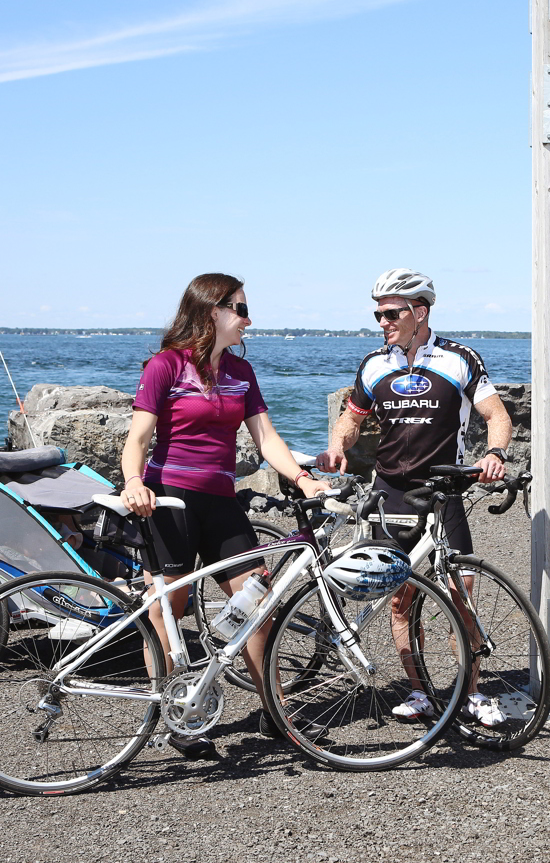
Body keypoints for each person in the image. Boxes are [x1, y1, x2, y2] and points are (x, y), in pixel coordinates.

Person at [121, 272, 330, 758]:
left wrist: (303, 478)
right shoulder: (164, 367)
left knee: (257, 601)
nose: (247, 319)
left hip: (220, 499)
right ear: (210, 311)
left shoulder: (241, 372)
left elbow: (266, 437)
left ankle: (274, 709)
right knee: (167, 608)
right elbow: (137, 439)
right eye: (239, 309)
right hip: (168, 497)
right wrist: (134, 483)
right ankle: (177, 712)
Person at [316, 267, 513, 726]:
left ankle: (472, 691)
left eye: (390, 313)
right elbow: (352, 418)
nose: (382, 321)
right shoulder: (373, 364)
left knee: (460, 593)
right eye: (378, 313)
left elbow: (496, 415)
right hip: (391, 491)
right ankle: (419, 690)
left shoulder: (459, 358)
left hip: (444, 489)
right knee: (401, 596)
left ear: (419, 311)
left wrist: (495, 454)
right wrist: (336, 448)